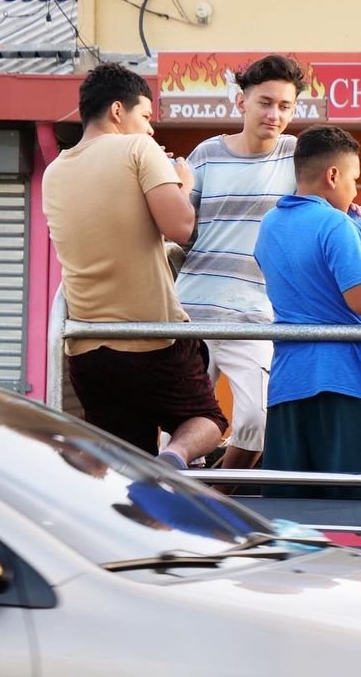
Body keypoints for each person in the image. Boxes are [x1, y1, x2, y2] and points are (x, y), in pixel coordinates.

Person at [176, 54, 361, 471]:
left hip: (253, 317)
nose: (275, 114)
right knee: (180, 430)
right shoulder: (205, 154)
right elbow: (179, 231)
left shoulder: (301, 159)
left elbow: (352, 230)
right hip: (189, 311)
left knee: (256, 421)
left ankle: (220, 499)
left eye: (285, 106)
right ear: (242, 103)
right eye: (265, 102)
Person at [42, 63, 228, 468]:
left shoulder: (54, 171)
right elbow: (181, 226)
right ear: (116, 111)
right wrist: (183, 183)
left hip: (88, 348)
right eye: (145, 116)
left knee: (124, 466)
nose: (150, 130)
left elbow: (121, 233)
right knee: (208, 420)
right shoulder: (138, 150)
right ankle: (174, 458)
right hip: (150, 340)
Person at [253, 125, 361, 500]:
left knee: (295, 511)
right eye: (354, 179)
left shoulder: (270, 223)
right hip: (347, 381)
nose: (355, 191)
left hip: (288, 384)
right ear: (332, 175)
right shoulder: (335, 224)